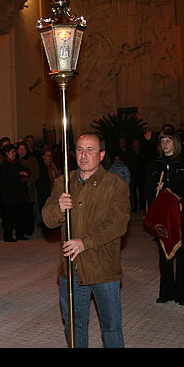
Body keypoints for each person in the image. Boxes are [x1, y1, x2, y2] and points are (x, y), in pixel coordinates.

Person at [42, 132, 130, 348]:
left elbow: (118, 224)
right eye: (80, 150)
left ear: (101, 155)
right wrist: (59, 209)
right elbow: (47, 219)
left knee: (111, 327)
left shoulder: (115, 184)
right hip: (71, 269)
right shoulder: (63, 182)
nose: (84, 155)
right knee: (74, 326)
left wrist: (85, 242)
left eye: (90, 150)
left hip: (103, 269)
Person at [145, 128, 184, 306]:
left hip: (180, 213)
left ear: (175, 143)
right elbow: (148, 190)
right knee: (164, 253)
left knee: (181, 252)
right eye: (162, 141)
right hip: (163, 215)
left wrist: (169, 188)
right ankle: (166, 292)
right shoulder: (155, 164)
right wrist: (156, 190)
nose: (165, 144)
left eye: (168, 140)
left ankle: (183, 293)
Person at [0, 144, 30, 242]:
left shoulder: (16, 163)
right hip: (9, 195)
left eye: (14, 152)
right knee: (9, 217)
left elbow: (27, 171)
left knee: (20, 215)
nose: (14, 154)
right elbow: (11, 177)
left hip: (18, 194)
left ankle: (20, 234)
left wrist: (24, 174)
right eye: (12, 152)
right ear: (7, 154)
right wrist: (20, 175)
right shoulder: (4, 165)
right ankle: (7, 236)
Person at [16, 141, 40, 237]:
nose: (21, 151)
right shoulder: (16, 160)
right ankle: (20, 229)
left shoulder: (32, 159)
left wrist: (28, 182)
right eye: (20, 150)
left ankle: (29, 229)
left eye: (23, 149)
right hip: (19, 191)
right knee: (20, 212)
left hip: (28, 189)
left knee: (29, 211)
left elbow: (36, 174)